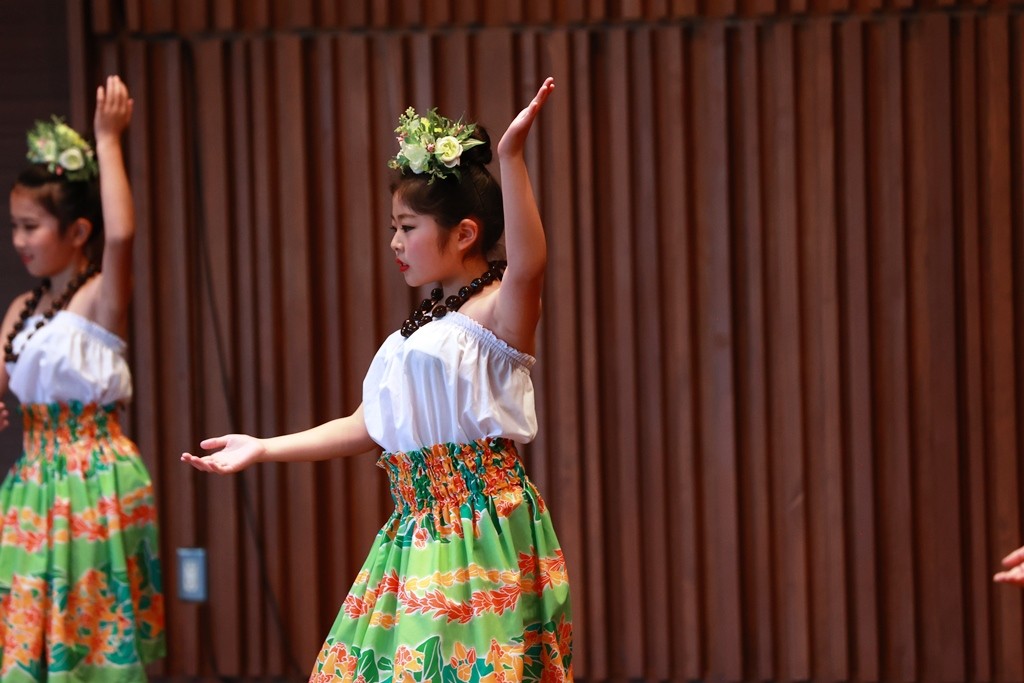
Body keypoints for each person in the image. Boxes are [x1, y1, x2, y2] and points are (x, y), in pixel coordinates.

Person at [182, 78, 572, 681]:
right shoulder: (415, 331)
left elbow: (530, 263)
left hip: (480, 525)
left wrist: (511, 158)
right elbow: (367, 425)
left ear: (464, 233)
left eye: (408, 227)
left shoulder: (496, 313)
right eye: (394, 226)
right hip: (414, 526)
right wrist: (262, 447)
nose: (395, 242)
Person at [0, 76, 165, 682]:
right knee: (31, 640)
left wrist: (108, 140)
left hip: (94, 478)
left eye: (32, 226)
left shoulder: (98, 299)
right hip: (32, 483)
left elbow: (122, 234)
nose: (19, 240)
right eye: (15, 226)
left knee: (92, 637)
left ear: (76, 232)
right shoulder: (20, 312)